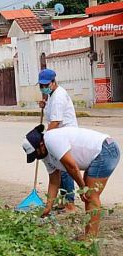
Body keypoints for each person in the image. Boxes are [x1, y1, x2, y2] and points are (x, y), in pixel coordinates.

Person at [22, 125, 120, 239]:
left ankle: (90, 238)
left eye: (36, 153)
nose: (37, 157)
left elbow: (71, 166)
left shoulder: (51, 140)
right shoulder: (44, 155)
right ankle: (88, 235)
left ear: (41, 144)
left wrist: (83, 189)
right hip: (98, 154)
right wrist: (48, 206)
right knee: (88, 196)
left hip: (105, 150)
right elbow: (54, 180)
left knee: (90, 196)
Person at [37, 68, 77, 213]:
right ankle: (63, 201)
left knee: (65, 169)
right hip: (58, 134)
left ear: (53, 82)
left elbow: (55, 121)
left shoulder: (59, 96)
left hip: (65, 134)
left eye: (46, 85)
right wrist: (44, 104)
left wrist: (45, 139)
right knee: (59, 168)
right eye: (41, 86)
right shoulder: (52, 95)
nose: (43, 88)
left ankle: (70, 204)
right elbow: (51, 113)